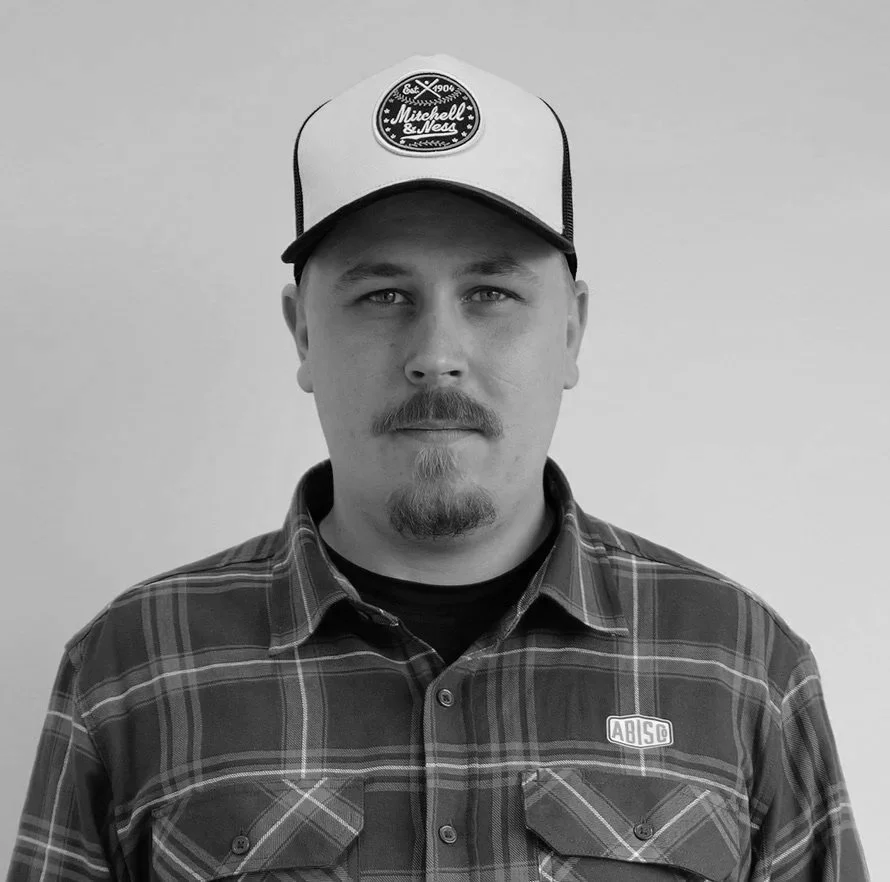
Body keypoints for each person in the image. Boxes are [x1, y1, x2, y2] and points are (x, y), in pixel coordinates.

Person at [7, 54, 869, 882]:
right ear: (302, 333)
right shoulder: (132, 667)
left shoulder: (741, 663)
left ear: (570, 331)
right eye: (383, 296)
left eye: (491, 294)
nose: (437, 354)